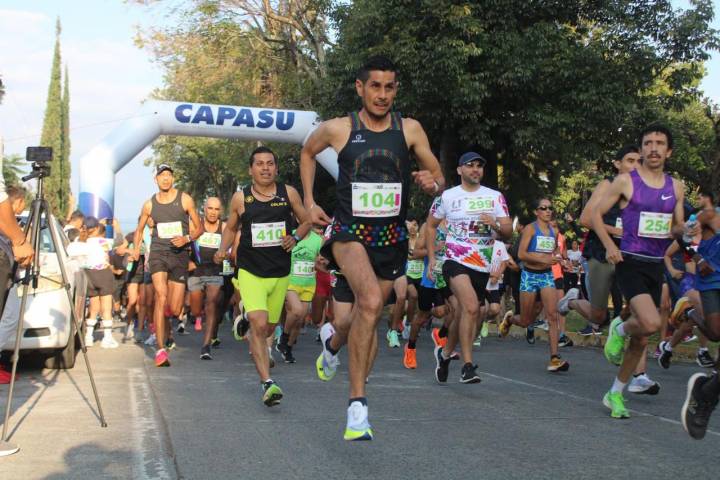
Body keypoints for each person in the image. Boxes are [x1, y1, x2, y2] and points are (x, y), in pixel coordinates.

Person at [300, 55, 444, 440]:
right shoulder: (339, 128)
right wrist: (311, 202)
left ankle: (333, 343)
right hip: (349, 231)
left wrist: (432, 183)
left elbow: (439, 178)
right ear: (360, 88)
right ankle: (357, 407)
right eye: (375, 86)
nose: (382, 95)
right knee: (369, 302)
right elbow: (307, 152)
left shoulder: (409, 129)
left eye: (389, 87)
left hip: (390, 237)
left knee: (366, 315)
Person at [591, 124, 685, 419]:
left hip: (655, 265)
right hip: (629, 260)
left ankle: (615, 394)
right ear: (642, 149)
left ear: (669, 151)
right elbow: (594, 215)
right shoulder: (625, 181)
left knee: (642, 338)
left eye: (660, 143)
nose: (653, 148)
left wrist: (688, 230)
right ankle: (619, 328)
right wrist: (609, 245)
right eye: (648, 143)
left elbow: (676, 227)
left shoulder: (676, 187)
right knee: (650, 321)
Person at [214, 146, 310, 406]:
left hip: (279, 272)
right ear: (251, 169)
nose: (265, 168)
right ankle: (268, 383)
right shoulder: (240, 198)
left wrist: (295, 237)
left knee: (268, 327)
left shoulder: (288, 193)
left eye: (270, 163)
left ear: (276, 168)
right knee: (259, 324)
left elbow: (307, 221)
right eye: (260, 164)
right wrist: (223, 249)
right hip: (250, 270)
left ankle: (245, 317)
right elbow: (230, 228)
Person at [132, 164, 204, 367]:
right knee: (160, 295)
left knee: (175, 307)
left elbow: (200, 228)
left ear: (173, 179)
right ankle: (161, 350)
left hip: (179, 255)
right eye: (162, 175)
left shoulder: (185, 199)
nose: (165, 178)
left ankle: (166, 323)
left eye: (169, 175)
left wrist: (186, 238)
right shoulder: (149, 204)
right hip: (158, 253)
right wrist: (136, 249)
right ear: (156, 179)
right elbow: (139, 229)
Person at [498, 198, 569, 372]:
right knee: (525, 321)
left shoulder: (554, 231)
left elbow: (555, 251)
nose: (548, 211)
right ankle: (510, 319)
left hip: (546, 276)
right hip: (529, 276)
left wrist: (562, 260)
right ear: (536, 212)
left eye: (550, 208)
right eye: (543, 208)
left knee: (552, 316)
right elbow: (522, 254)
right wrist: (543, 259)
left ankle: (554, 358)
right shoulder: (530, 229)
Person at [681, 196, 720, 439]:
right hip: (712, 281)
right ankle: (690, 312)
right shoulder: (709, 215)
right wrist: (699, 259)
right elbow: (681, 236)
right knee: (715, 333)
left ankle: (707, 393)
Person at [276, 224, 324, 363]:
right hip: (291, 281)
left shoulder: (318, 240)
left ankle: (288, 348)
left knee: (299, 321)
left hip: (308, 284)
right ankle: (283, 338)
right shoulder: (290, 235)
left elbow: (321, 260)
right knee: (296, 311)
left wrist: (322, 262)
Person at [188, 197, 226, 360]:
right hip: (196, 270)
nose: (213, 212)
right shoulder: (196, 225)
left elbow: (230, 249)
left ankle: (206, 346)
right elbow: (186, 244)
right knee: (196, 310)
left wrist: (225, 255)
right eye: (210, 208)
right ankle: (198, 315)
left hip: (215, 271)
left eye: (216, 209)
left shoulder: (224, 227)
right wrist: (188, 261)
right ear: (204, 209)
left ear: (220, 211)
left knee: (211, 303)